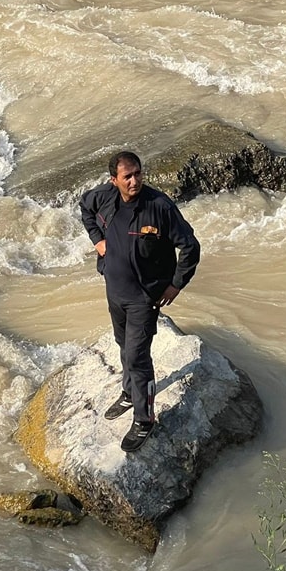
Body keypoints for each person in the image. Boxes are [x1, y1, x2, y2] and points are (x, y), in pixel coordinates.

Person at [80, 151, 201, 452]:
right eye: (127, 177)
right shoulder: (105, 198)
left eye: (138, 174)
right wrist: (97, 239)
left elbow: (190, 247)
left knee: (137, 356)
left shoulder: (158, 207)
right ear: (114, 180)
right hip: (115, 291)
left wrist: (175, 285)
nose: (135, 181)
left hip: (144, 298)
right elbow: (84, 208)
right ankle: (128, 393)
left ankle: (144, 419)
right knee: (123, 345)